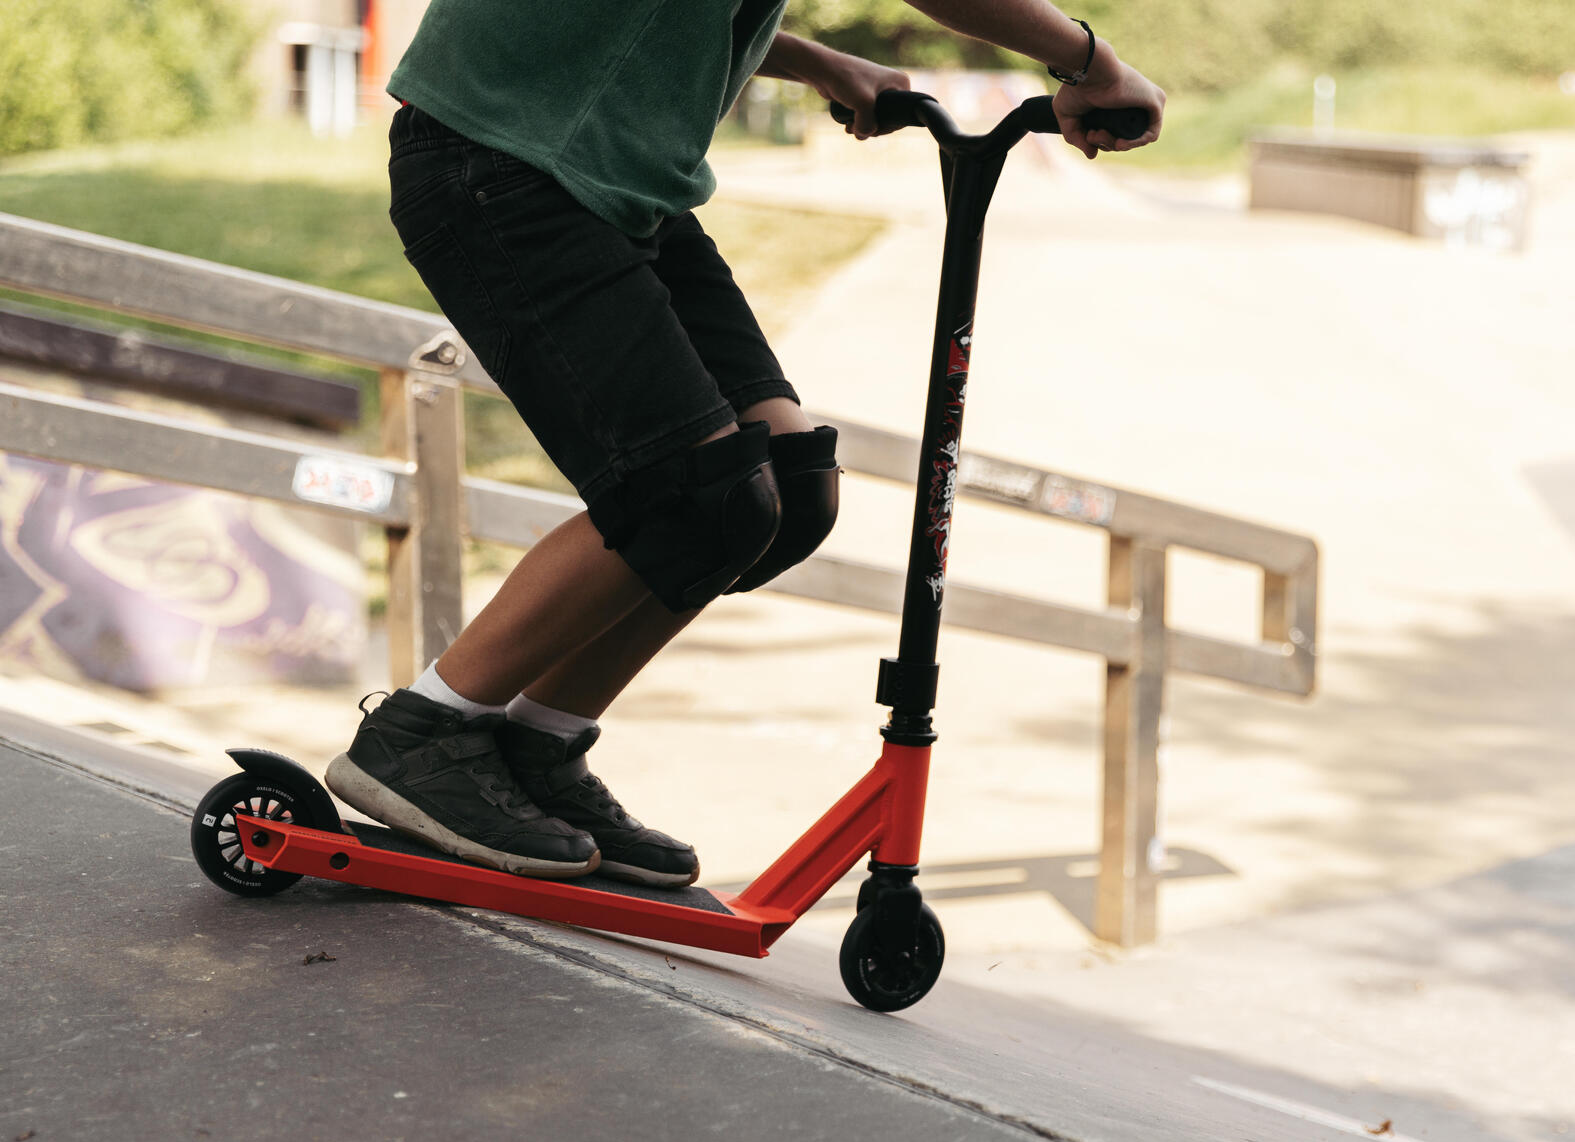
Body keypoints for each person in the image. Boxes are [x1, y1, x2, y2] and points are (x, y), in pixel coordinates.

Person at [325, 2, 1166, 888]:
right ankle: (420, 734)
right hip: (501, 162)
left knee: (787, 491)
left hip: (614, 178)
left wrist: (811, 62)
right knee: (690, 490)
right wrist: (1086, 59)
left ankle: (538, 744)